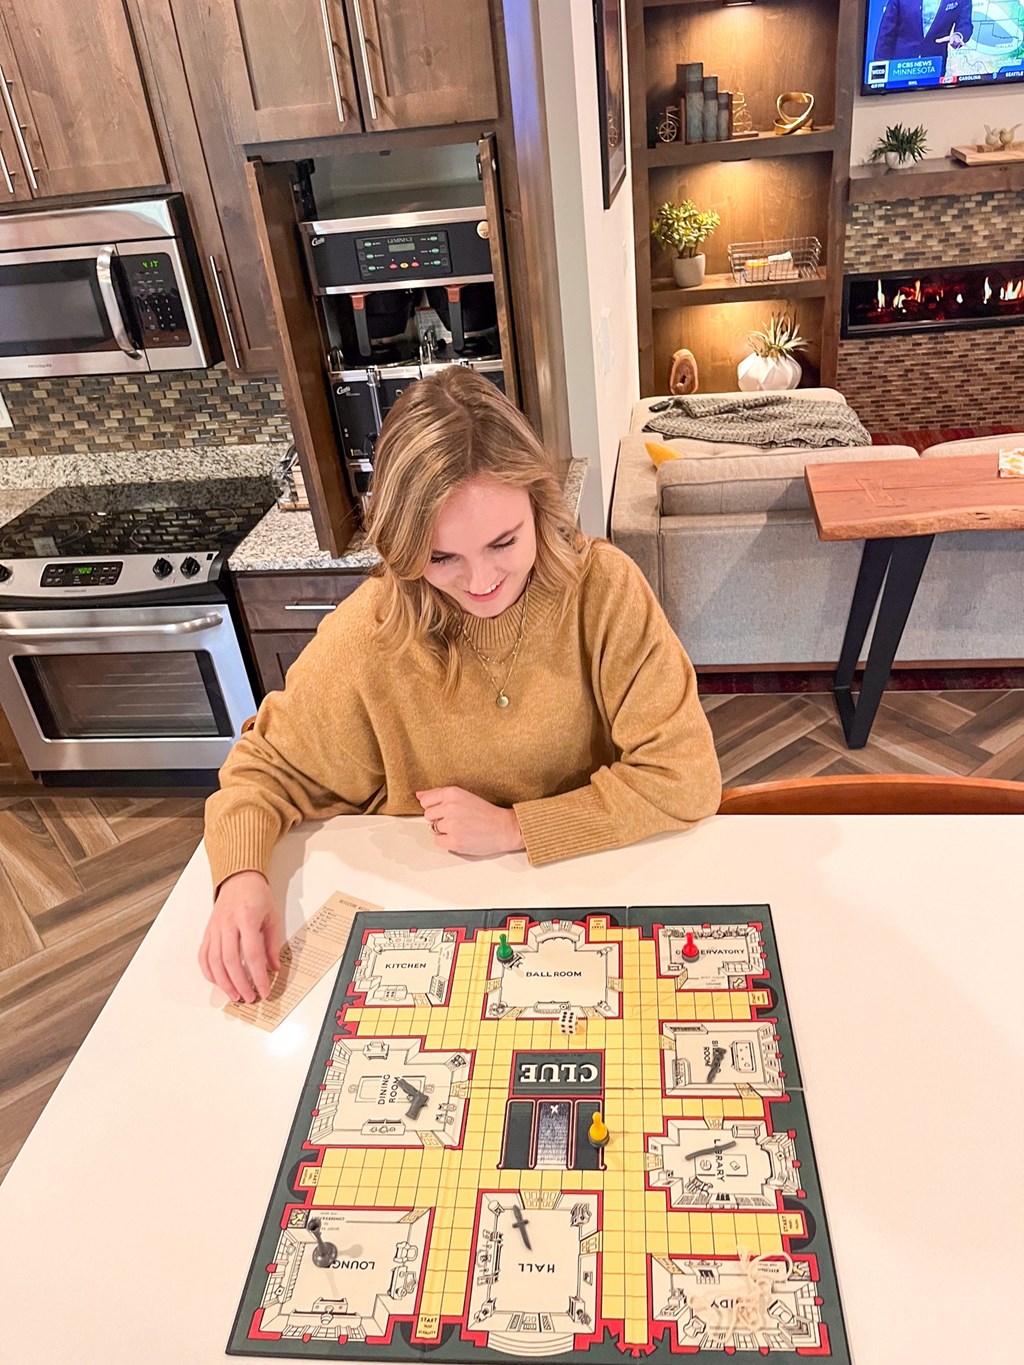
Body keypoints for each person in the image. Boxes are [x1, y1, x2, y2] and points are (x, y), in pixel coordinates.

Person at [200, 368, 722, 1004]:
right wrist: (240, 878)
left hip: (597, 897)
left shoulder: (604, 591)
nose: (480, 582)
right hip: (427, 924)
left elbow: (686, 776)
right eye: (442, 557)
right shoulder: (370, 630)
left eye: (504, 542)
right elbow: (263, 769)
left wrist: (515, 828)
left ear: (540, 505)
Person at [873, 0, 974, 76]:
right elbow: (886, 33)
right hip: (900, 68)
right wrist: (879, 71)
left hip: (933, 67)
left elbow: (965, 24)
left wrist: (958, 35)